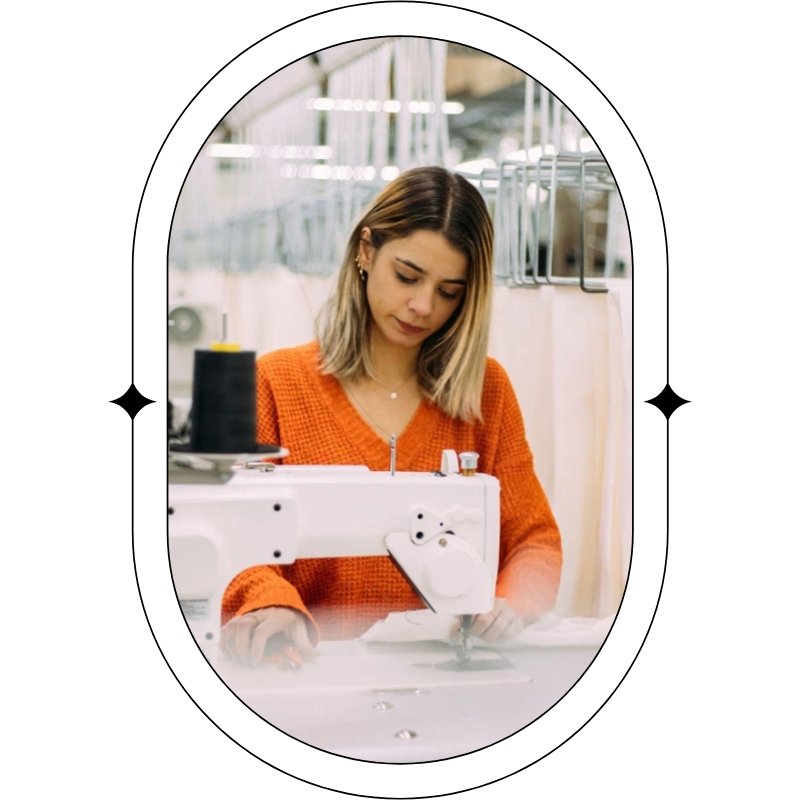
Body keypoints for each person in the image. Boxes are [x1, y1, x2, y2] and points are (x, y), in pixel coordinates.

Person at [220, 166, 562, 666]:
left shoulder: (486, 392)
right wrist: (271, 602)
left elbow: (534, 543)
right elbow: (239, 540)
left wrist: (511, 604)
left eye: (449, 292)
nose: (422, 306)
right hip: (310, 667)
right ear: (365, 251)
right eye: (407, 276)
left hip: (445, 675)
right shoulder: (273, 384)